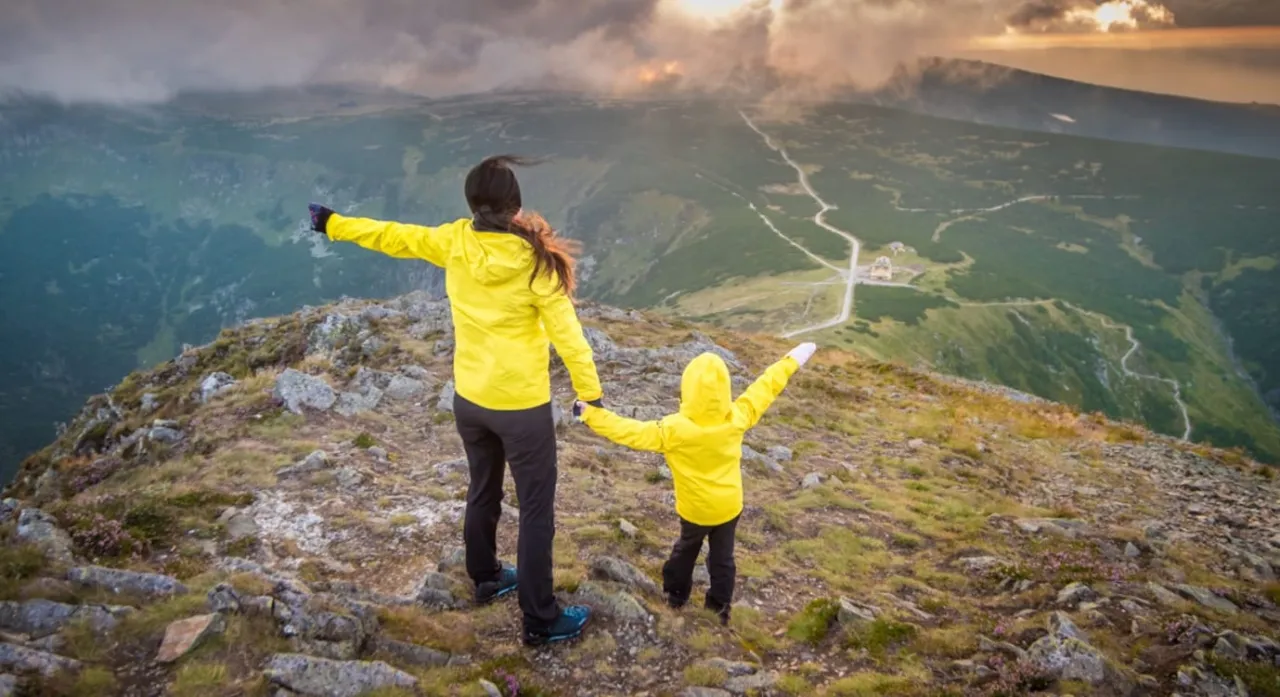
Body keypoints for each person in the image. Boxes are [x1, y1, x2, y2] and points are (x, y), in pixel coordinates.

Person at [307, 155, 602, 646]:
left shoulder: (453, 242)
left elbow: (392, 236)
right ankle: (540, 618)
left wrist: (334, 224)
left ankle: (486, 578)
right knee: (535, 511)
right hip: (521, 408)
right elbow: (569, 339)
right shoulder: (536, 266)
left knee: (483, 489)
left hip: (469, 399)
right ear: (517, 208)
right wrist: (591, 394)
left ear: (472, 204)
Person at [572, 342, 817, 623]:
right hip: (729, 507)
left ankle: (675, 596)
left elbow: (628, 431)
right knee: (723, 559)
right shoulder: (737, 417)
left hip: (695, 510)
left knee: (686, 549)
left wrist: (590, 414)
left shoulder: (674, 429)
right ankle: (719, 610)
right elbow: (766, 386)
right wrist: (792, 359)